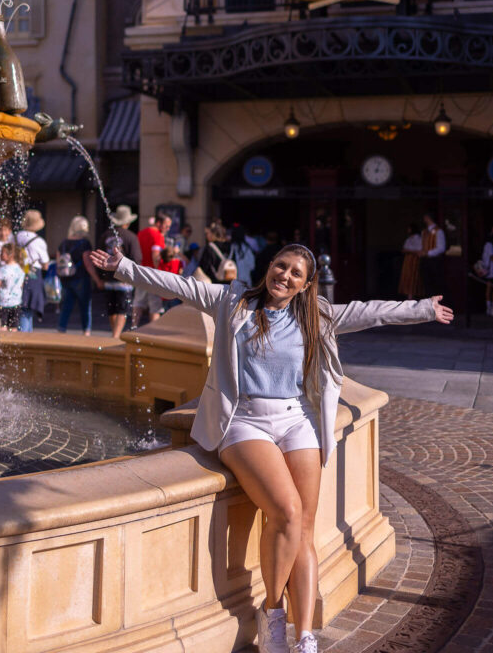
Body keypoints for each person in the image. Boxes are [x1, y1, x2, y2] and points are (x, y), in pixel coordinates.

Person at [89, 242, 453, 653]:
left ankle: (305, 635)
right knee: (287, 511)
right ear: (270, 267)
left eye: (296, 273)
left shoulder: (316, 314)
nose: (285, 276)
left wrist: (423, 308)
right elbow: (177, 284)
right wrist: (123, 267)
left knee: (305, 529)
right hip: (244, 420)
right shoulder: (233, 300)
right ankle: (274, 614)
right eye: (281, 266)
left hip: (296, 420)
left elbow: (369, 311)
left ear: (306, 284)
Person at [95, 205, 142, 338]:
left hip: (108, 278)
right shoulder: (131, 237)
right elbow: (137, 259)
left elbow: (98, 255)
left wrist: (100, 277)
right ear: (128, 222)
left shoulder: (105, 235)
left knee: (112, 309)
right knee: (122, 309)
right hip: (124, 279)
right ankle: (116, 335)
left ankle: (114, 332)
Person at [57, 215, 100, 335]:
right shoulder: (84, 243)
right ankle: (86, 331)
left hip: (66, 278)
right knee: (85, 307)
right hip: (81, 277)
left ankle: (61, 330)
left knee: (66, 306)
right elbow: (87, 263)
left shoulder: (64, 242)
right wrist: (96, 279)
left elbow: (58, 261)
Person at [132, 212, 172, 327]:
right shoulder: (157, 235)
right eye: (166, 226)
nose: (168, 229)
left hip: (141, 271)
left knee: (138, 302)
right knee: (155, 306)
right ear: (158, 223)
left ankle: (134, 327)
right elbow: (155, 254)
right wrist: (159, 271)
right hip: (153, 273)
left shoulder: (141, 233)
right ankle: (153, 331)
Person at [16, 209, 50, 332]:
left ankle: (25, 336)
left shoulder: (18, 236)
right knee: (28, 307)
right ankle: (24, 339)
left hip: (18, 271)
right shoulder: (39, 241)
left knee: (22, 306)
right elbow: (45, 264)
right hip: (33, 274)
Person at [0, 242, 25, 329]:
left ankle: (3, 342)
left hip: (2, 302)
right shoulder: (20, 269)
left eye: (2, 253)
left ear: (10, 255)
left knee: (2, 326)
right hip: (16, 302)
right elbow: (21, 285)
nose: (0, 255)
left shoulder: (2, 270)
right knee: (13, 327)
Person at [420, 211, 446, 300]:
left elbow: (441, 248)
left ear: (428, 217)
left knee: (436, 285)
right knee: (427, 285)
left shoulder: (439, 231)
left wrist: (428, 253)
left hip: (435, 261)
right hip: (425, 261)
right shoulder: (424, 232)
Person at [398, 222, 422, 299]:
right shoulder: (409, 239)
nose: (408, 230)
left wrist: (410, 251)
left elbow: (419, 250)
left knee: (414, 277)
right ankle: (408, 294)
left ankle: (414, 294)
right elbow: (404, 249)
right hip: (408, 260)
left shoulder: (418, 238)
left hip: (415, 260)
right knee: (407, 276)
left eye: (409, 228)